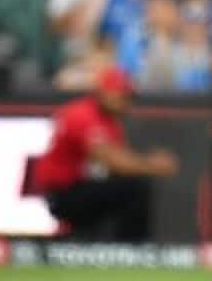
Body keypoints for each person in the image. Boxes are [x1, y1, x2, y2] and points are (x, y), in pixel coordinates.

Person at [32, 66, 178, 241]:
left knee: (126, 188)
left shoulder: (110, 123)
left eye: (129, 97)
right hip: (62, 194)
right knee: (136, 188)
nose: (127, 102)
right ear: (105, 93)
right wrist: (153, 166)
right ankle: (132, 250)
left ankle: (102, 243)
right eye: (123, 96)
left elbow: (117, 161)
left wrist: (145, 164)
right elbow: (113, 161)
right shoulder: (82, 114)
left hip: (80, 186)